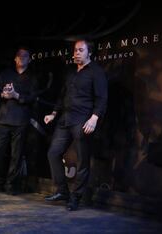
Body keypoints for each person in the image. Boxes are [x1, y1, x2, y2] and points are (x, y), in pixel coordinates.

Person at [43, 39, 108, 211]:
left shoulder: (96, 72)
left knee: (82, 161)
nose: (76, 53)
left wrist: (94, 118)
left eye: (80, 50)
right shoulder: (71, 71)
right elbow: (62, 95)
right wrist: (54, 113)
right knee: (53, 153)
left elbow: (102, 98)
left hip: (83, 119)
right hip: (65, 118)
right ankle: (62, 191)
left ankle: (76, 197)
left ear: (89, 52)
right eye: (75, 50)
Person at [0, 47, 38, 195]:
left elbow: (32, 98)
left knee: (16, 155)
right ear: (15, 58)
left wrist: (16, 95)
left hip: (21, 120)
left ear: (29, 59)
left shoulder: (32, 78)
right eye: (19, 56)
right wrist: (4, 94)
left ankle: (11, 184)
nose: (21, 58)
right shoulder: (6, 74)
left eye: (25, 56)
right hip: (3, 119)